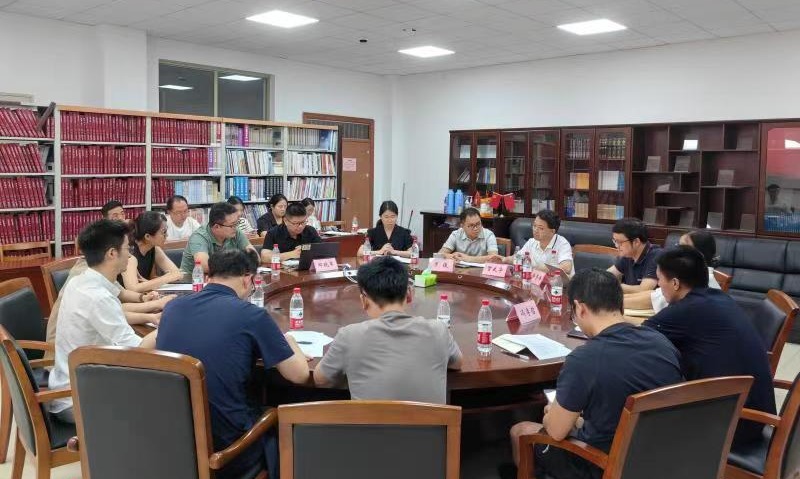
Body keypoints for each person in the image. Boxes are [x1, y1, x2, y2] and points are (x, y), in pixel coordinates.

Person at [509, 269, 682, 479]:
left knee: (521, 431)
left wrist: (550, 414)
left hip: (604, 465)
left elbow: (556, 431)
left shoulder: (584, 359)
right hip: (663, 459)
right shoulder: (662, 343)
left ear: (580, 308)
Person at [157, 249, 309, 479]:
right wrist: (289, 341)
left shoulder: (173, 308)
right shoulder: (251, 315)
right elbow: (299, 375)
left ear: (208, 276)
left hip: (175, 443)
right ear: (247, 279)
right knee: (279, 414)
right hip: (228, 451)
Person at [642, 246, 776, 451]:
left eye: (660, 280)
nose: (658, 285)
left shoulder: (687, 310)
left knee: (640, 412)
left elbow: (638, 339)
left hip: (732, 424)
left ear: (675, 283)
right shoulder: (717, 298)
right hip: (753, 416)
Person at [48, 220, 159, 423]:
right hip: (79, 399)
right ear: (112, 253)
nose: (130, 255)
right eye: (127, 249)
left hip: (74, 382)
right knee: (166, 392)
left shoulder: (81, 280)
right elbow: (138, 351)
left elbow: (118, 305)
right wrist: (172, 321)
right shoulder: (97, 297)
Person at [315, 256, 462, 402]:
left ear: (364, 300)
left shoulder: (349, 336)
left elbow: (320, 379)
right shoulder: (439, 330)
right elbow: (457, 363)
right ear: (409, 295)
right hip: (429, 419)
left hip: (370, 418)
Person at [624, 230, 721, 312]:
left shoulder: (698, 279)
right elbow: (655, 294)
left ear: (697, 253)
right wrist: (619, 298)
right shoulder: (691, 273)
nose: (676, 249)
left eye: (682, 246)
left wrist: (618, 302)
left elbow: (653, 300)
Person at [181, 202, 258, 274]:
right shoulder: (199, 236)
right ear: (217, 227)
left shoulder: (235, 232)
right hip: (192, 280)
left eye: (236, 223)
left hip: (224, 277)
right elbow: (205, 266)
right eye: (232, 225)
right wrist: (238, 263)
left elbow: (255, 258)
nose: (236, 227)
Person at [118, 211, 184, 292]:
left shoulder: (155, 249)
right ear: (147, 236)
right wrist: (165, 278)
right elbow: (133, 288)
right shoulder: (130, 254)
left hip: (146, 295)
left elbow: (177, 274)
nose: (167, 235)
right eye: (163, 232)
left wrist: (149, 283)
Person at [500, 209, 573, 277]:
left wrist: (540, 269)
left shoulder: (562, 243)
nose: (535, 230)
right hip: (535, 282)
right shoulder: (532, 242)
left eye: (541, 228)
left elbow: (566, 267)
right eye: (534, 226)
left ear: (552, 231)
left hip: (558, 284)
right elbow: (518, 257)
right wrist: (504, 259)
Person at [606, 218, 662, 293]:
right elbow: (607, 275)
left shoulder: (656, 256)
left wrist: (615, 286)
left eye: (620, 242)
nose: (616, 246)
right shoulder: (628, 255)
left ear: (636, 242)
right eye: (615, 241)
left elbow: (643, 290)